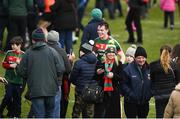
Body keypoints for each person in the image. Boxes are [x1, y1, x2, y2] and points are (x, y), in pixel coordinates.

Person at [17, 28, 65, 118]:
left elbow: (21, 72)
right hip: (51, 90)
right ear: (44, 39)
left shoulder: (28, 53)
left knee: (40, 116)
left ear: (32, 40)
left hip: (36, 90)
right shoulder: (53, 52)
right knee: (50, 115)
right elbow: (61, 69)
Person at [121, 46, 152, 118]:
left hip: (144, 102)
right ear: (135, 58)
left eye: (143, 57)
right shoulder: (128, 69)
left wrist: (149, 94)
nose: (141, 60)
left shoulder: (149, 69)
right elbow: (123, 85)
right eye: (139, 58)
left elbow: (153, 83)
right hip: (130, 102)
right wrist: (132, 95)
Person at [94, 45, 124, 118]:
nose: (111, 54)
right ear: (106, 53)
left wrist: (113, 76)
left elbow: (121, 78)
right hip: (102, 92)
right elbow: (95, 77)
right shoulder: (100, 63)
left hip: (114, 92)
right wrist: (98, 73)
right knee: (101, 113)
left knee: (113, 114)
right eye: (109, 53)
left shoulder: (118, 64)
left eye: (113, 53)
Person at [47, 30, 72, 117]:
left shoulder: (41, 48)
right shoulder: (61, 51)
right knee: (55, 107)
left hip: (42, 82)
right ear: (57, 39)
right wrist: (70, 61)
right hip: (57, 82)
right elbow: (68, 69)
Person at [69, 43, 97, 118]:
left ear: (83, 52)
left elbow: (72, 77)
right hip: (92, 91)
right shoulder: (96, 61)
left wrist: (76, 83)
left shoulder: (78, 63)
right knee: (89, 114)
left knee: (76, 113)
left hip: (80, 91)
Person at [0, 36, 24, 118]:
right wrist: (10, 65)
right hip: (8, 80)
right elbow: (3, 64)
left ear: (20, 45)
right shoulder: (9, 53)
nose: (13, 46)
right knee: (8, 96)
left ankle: (16, 115)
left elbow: (25, 69)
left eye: (15, 45)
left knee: (17, 99)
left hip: (19, 81)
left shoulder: (24, 55)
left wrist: (19, 64)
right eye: (12, 45)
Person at [150, 45, 176, 118]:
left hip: (159, 95)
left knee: (160, 116)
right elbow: (177, 80)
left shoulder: (153, 65)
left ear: (160, 53)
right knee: (171, 116)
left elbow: (151, 80)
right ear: (170, 53)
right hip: (171, 95)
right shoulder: (174, 65)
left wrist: (153, 92)